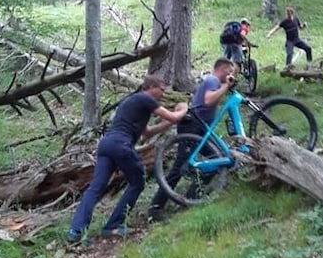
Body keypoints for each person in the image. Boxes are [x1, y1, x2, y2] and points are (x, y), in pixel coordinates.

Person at [66, 75, 189, 242]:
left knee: (96, 188)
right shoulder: (145, 98)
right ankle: (113, 226)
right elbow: (174, 117)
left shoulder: (135, 102)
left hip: (106, 145)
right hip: (121, 144)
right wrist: (183, 108)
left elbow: (148, 133)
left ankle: (77, 231)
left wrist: (171, 120)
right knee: (138, 182)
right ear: (151, 87)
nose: (163, 93)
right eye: (161, 89)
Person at [149, 58, 236, 221]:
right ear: (223, 69)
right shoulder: (212, 80)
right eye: (229, 71)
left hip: (200, 128)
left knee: (218, 160)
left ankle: (191, 197)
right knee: (180, 165)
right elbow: (208, 100)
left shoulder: (215, 81)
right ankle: (156, 207)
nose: (231, 75)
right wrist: (226, 86)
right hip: (192, 125)